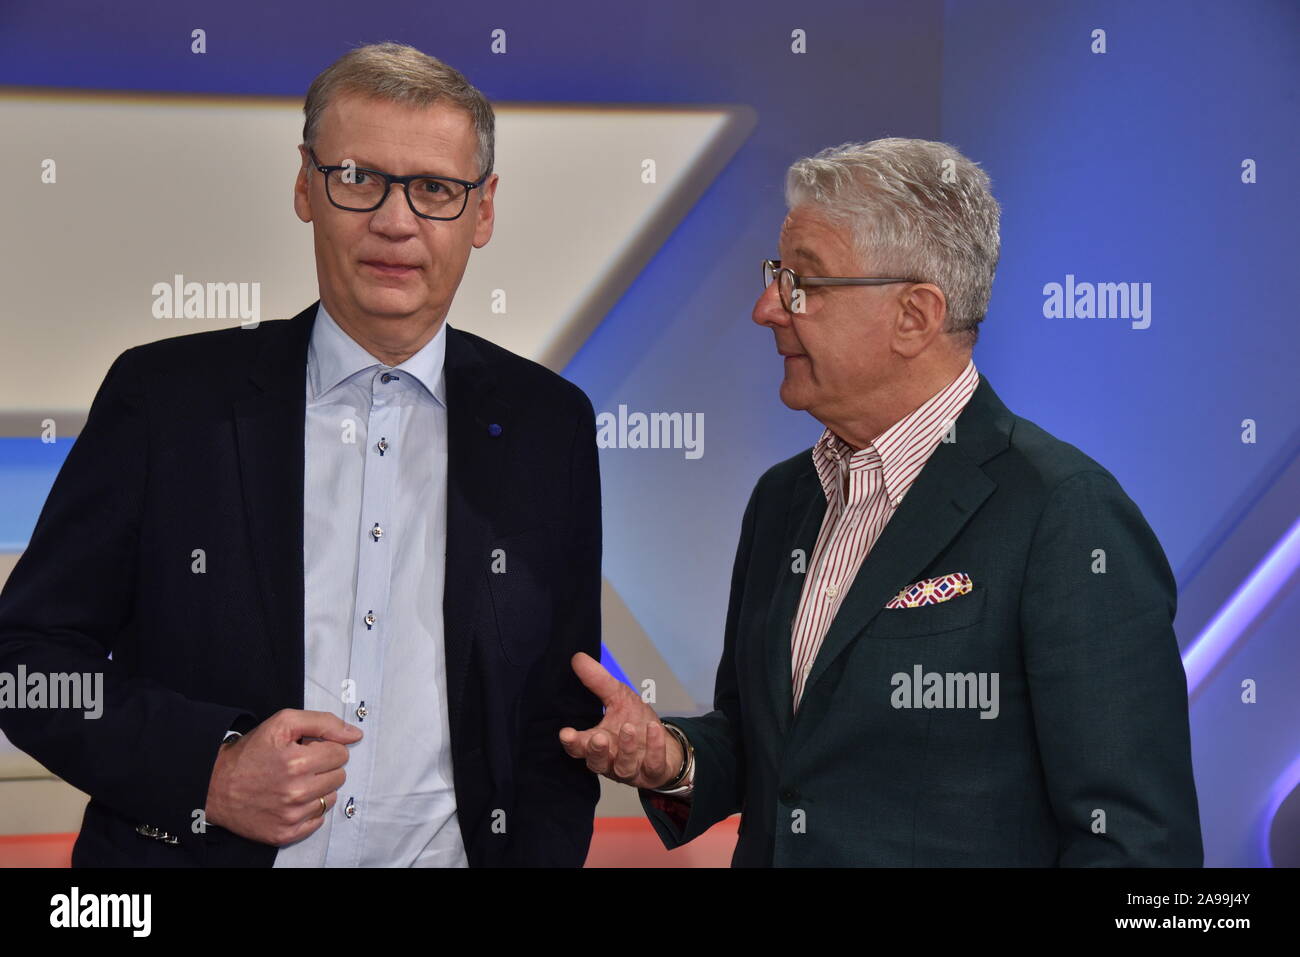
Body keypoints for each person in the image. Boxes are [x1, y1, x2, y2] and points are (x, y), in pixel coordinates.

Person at [0, 42, 601, 867]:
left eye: (434, 188)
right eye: (358, 177)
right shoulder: (165, 399)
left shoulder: (549, 426)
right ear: (304, 185)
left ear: (484, 209)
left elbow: (551, 717)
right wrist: (204, 771)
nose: (395, 220)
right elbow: (27, 663)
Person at [561, 137, 1203, 866]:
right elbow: (775, 751)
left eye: (804, 281)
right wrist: (672, 758)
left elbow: (1138, 845)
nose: (766, 307)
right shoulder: (783, 499)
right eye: (777, 274)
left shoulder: (1065, 514)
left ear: (915, 315)